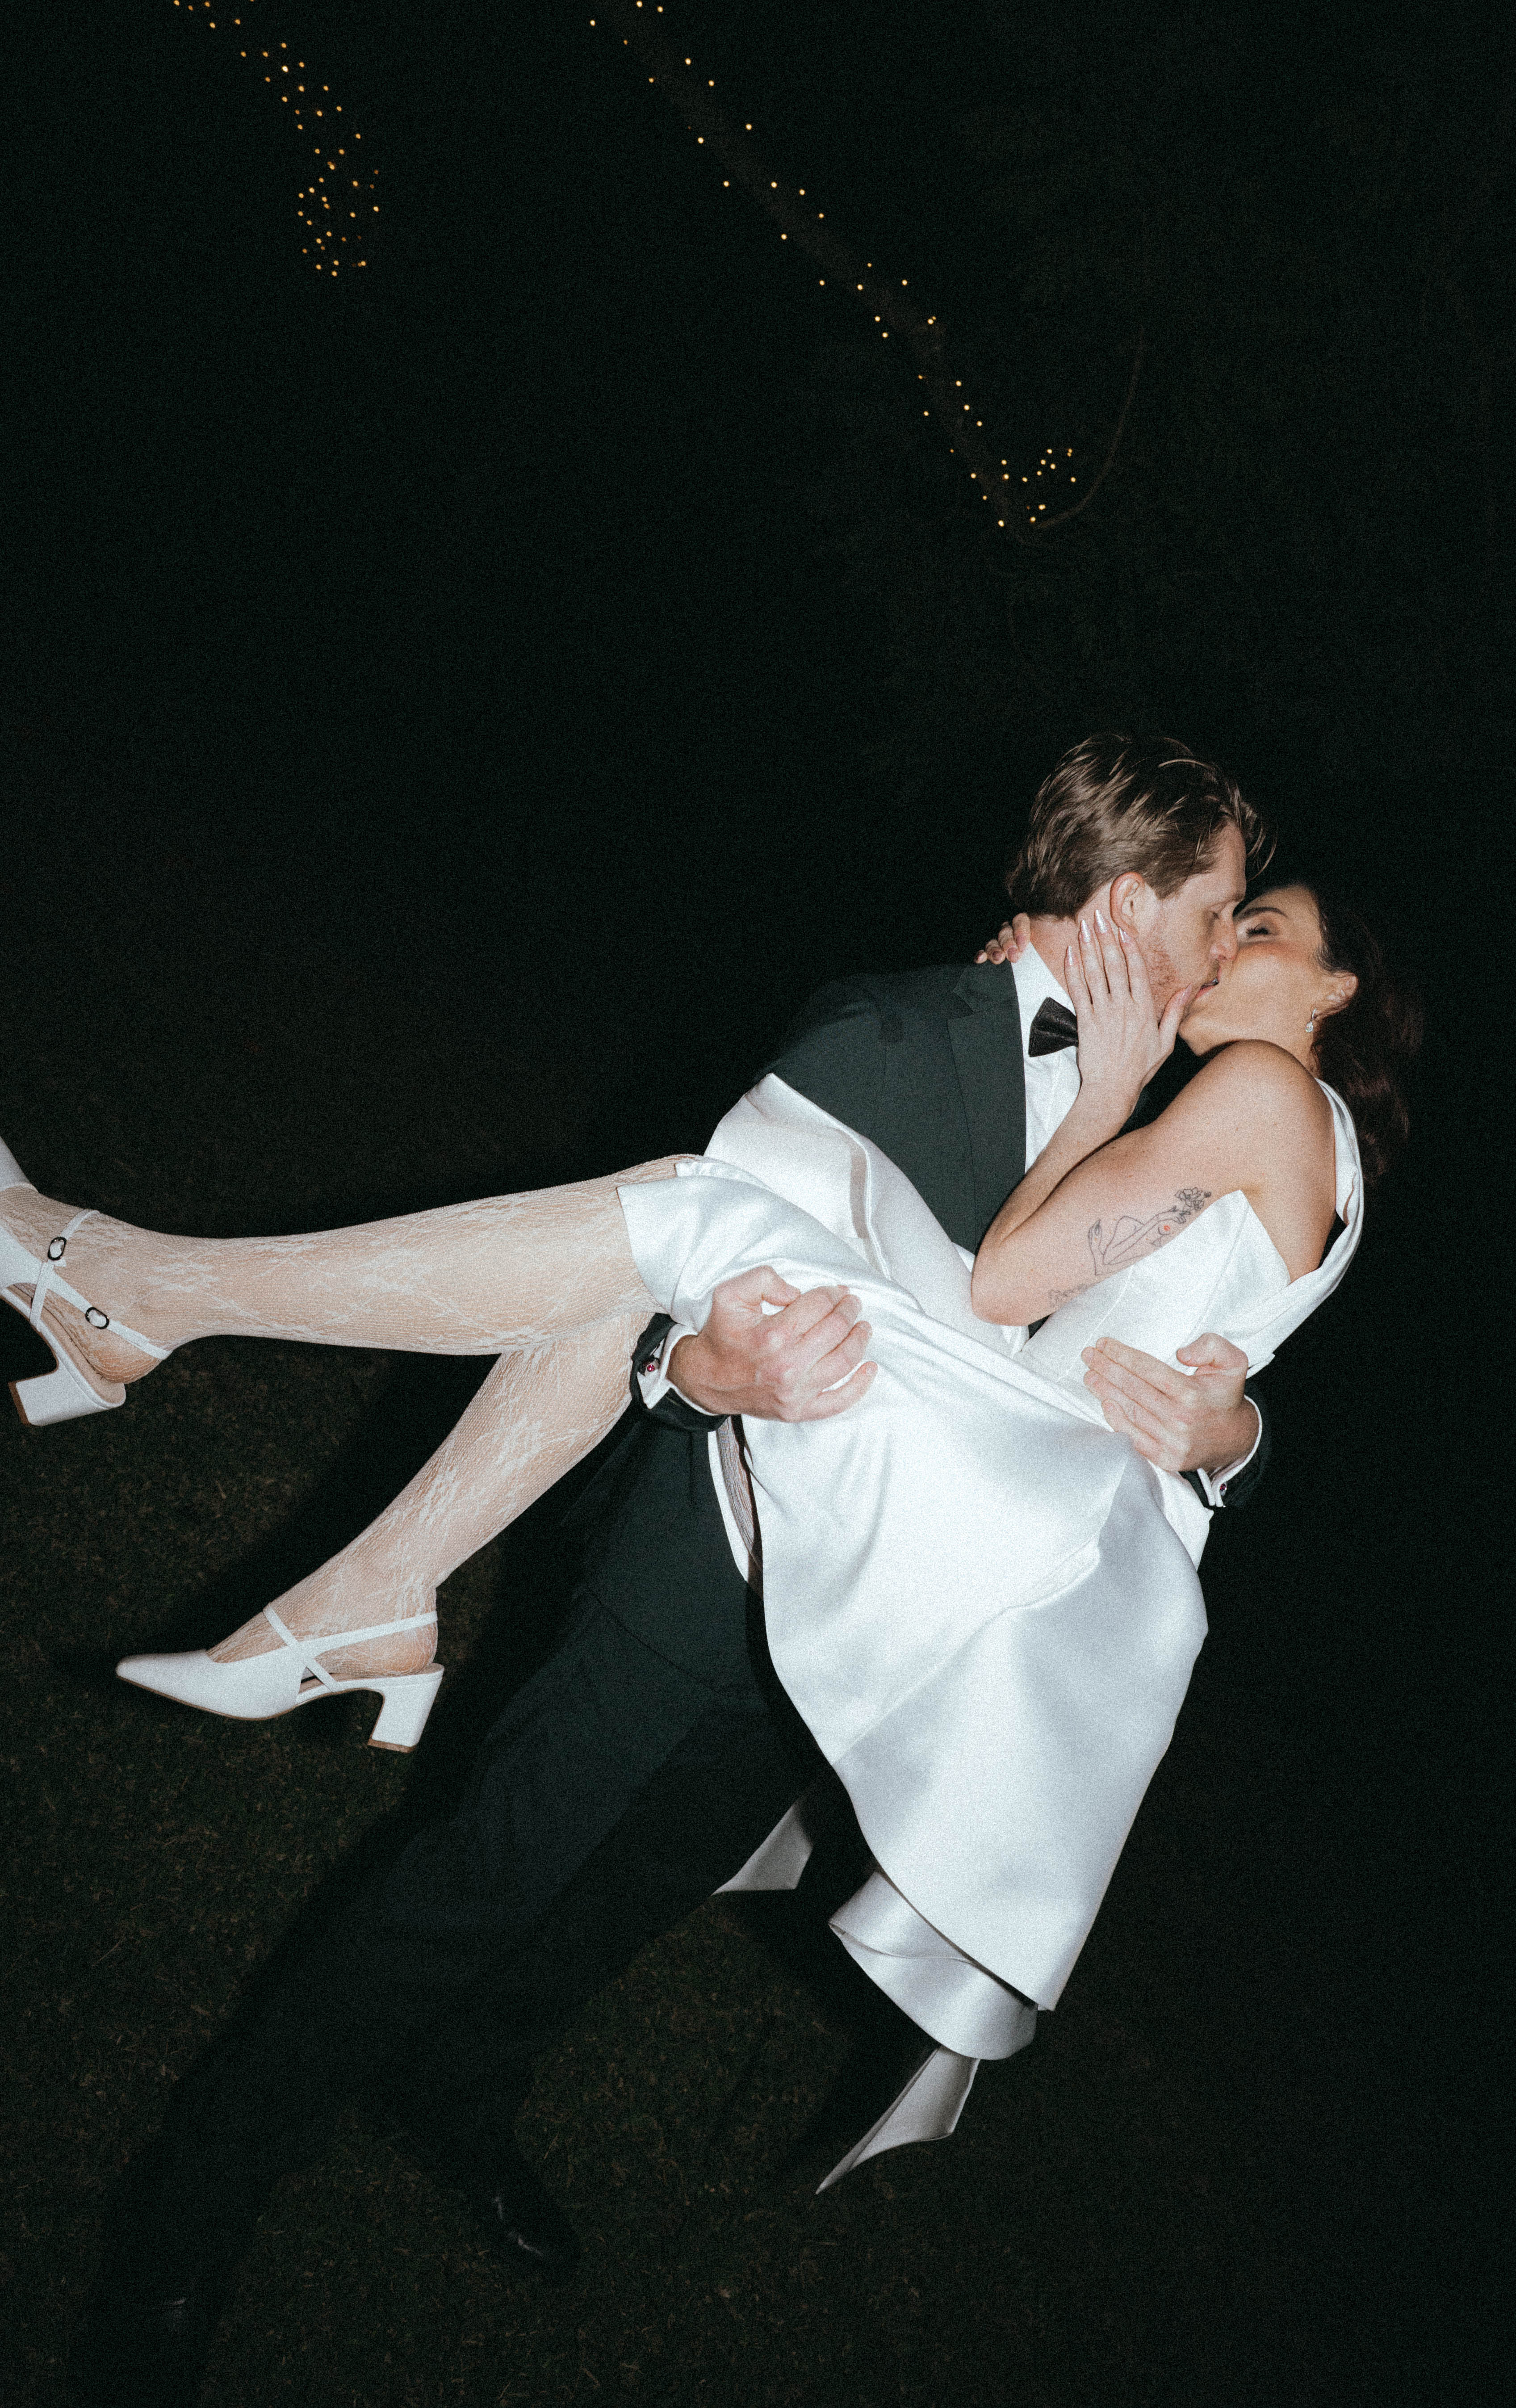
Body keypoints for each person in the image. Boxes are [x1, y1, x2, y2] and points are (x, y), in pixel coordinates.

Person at [0, 737, 1415, 2408]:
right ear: (1126, 909)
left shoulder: (1196, 1111)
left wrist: (1232, 1428)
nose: (1224, 944)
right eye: (1219, 912)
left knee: (636, 1889)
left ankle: (459, 2082)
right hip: (713, 1565)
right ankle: (193, 2207)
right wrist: (700, 1374)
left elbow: (1167, 1330)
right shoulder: (893, 1032)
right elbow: (663, 1295)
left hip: (901, 1603)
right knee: (483, 1867)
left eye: (1257, 925)